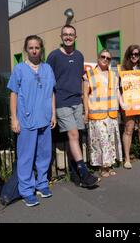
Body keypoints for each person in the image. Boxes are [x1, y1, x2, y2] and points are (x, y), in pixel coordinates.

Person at [47, 24, 99, 188]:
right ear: (61, 37)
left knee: (74, 138)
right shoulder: (53, 56)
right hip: (62, 103)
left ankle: (75, 174)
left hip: (77, 102)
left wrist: (85, 107)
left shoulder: (79, 56)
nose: (68, 37)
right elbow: (49, 85)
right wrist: (52, 111)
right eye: (65, 34)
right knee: (74, 134)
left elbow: (82, 80)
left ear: (75, 37)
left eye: (71, 34)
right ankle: (84, 172)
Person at [8, 35, 56, 207]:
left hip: (44, 118)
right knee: (26, 156)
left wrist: (53, 114)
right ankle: (27, 190)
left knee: (44, 154)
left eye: (37, 47)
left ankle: (42, 184)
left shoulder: (47, 69)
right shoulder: (19, 69)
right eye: (31, 47)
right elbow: (13, 94)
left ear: (41, 49)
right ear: (26, 49)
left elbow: (51, 93)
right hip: (26, 120)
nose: (34, 50)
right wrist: (14, 118)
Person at [83, 49, 123, 177]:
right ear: (98, 58)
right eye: (103, 57)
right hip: (96, 113)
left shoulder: (114, 75)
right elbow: (84, 95)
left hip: (111, 113)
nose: (105, 59)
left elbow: (117, 92)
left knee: (110, 140)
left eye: (108, 58)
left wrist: (122, 104)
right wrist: (86, 112)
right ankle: (102, 166)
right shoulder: (89, 74)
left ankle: (109, 164)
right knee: (101, 140)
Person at [120, 45, 140, 169]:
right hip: (129, 103)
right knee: (128, 129)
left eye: (136, 54)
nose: (134, 56)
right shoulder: (122, 69)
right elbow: (119, 88)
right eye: (131, 54)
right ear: (128, 55)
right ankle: (127, 159)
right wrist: (122, 102)